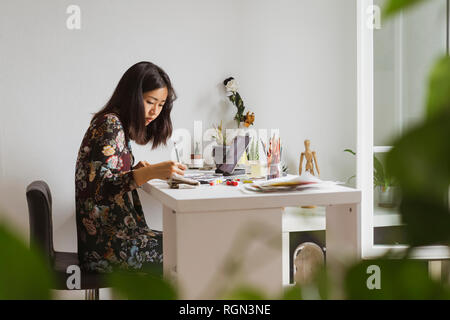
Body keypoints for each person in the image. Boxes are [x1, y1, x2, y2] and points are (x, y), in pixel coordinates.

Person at [75, 61, 186, 274]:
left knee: (182, 242)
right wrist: (150, 172)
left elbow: (103, 176)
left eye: (161, 104)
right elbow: (101, 189)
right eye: (150, 101)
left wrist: (135, 169)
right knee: (186, 248)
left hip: (109, 240)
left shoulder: (115, 124)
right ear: (132, 96)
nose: (155, 111)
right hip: (107, 247)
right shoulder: (110, 124)